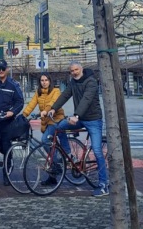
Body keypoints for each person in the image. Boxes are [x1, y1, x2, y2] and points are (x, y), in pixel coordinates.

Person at [48, 61, 109, 197]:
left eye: (76, 69)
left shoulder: (91, 82)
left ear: (81, 69)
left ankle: (104, 185)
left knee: (97, 151)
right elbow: (64, 95)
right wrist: (53, 108)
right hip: (80, 119)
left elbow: (86, 100)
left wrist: (76, 115)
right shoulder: (73, 83)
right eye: (71, 71)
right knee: (59, 128)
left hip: (93, 120)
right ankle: (70, 154)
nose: (74, 72)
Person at [22, 73, 70, 185]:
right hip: (46, 123)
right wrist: (24, 115)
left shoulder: (56, 91)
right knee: (50, 150)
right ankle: (52, 177)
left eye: (46, 80)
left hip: (55, 120)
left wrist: (46, 111)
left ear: (50, 81)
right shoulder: (38, 93)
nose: (44, 82)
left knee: (44, 140)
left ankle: (57, 163)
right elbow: (31, 104)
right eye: (42, 80)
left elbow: (52, 103)